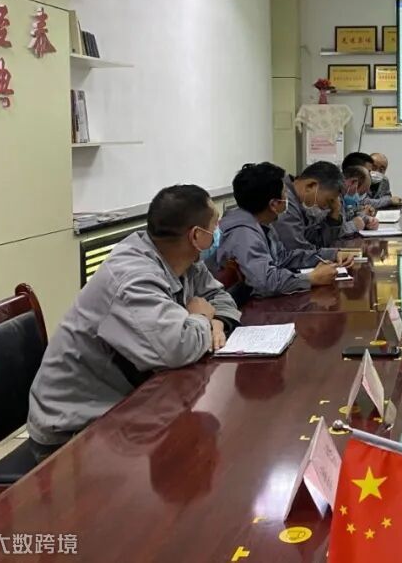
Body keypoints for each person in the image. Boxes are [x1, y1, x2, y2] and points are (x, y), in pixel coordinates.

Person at [27, 185, 242, 451]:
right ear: (196, 235)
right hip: (73, 429)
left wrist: (217, 321)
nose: (219, 231)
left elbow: (220, 298)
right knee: (185, 458)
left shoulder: (185, 261)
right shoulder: (132, 278)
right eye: (215, 225)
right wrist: (200, 317)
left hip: (128, 400)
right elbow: (177, 348)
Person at [216, 162, 338, 301]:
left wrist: (332, 254)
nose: (288, 198)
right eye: (285, 193)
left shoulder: (263, 223)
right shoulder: (244, 234)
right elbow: (265, 282)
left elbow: (283, 258)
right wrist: (311, 278)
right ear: (274, 204)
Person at [275, 161, 350, 261]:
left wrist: (334, 214)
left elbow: (316, 242)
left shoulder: (300, 202)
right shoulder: (284, 201)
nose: (326, 207)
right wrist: (333, 255)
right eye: (328, 201)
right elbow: (297, 252)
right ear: (311, 185)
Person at [340, 164, 378, 236]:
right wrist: (353, 226)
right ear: (352, 182)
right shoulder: (333, 199)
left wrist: (368, 220)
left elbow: (353, 215)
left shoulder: (346, 198)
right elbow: (332, 232)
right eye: (361, 193)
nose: (359, 197)